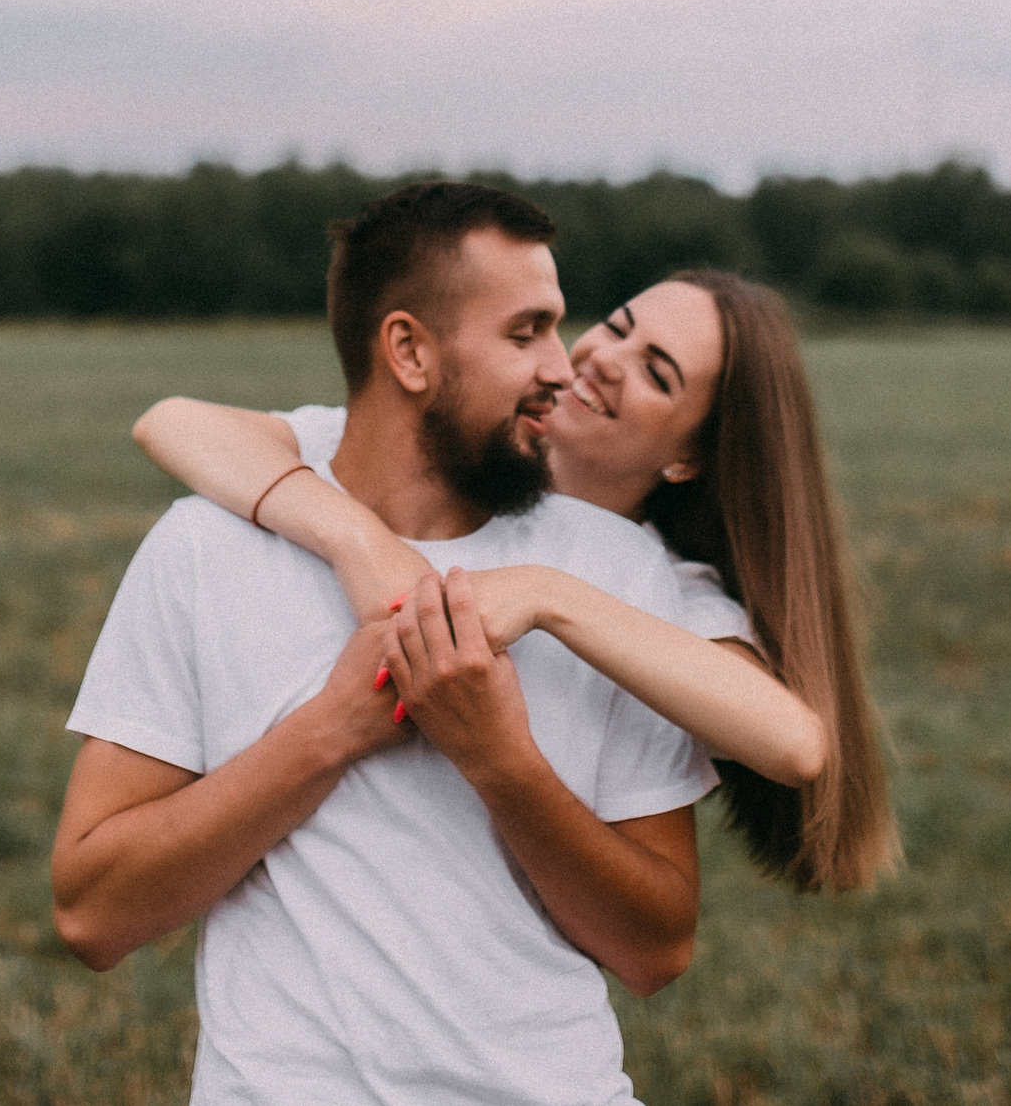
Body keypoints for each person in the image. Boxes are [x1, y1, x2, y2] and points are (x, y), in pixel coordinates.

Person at [52, 183, 718, 1105]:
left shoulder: (610, 575)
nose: (563, 370)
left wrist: (501, 761)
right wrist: (329, 731)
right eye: (526, 333)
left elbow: (657, 949)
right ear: (408, 349)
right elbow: (92, 912)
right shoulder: (205, 547)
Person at [136, 268, 897, 894]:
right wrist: (354, 536)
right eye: (621, 327)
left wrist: (545, 593)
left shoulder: (658, 586)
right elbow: (172, 422)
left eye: (655, 373)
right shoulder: (442, 451)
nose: (604, 357)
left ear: (687, 459)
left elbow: (795, 743)